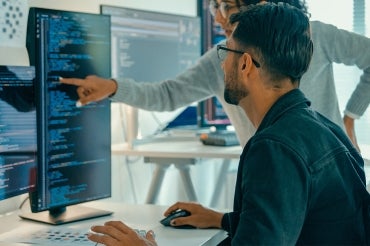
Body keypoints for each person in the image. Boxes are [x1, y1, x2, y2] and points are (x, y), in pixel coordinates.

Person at [87, 3, 368, 244]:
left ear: (245, 65)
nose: (221, 65)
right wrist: (222, 219)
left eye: (226, 52)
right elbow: (297, 221)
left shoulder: (274, 147)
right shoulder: (327, 129)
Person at [60, 0, 370, 151]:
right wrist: (113, 87)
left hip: (323, 171)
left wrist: (350, 117)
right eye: (214, 6)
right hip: (270, 171)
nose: (217, 16)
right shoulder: (223, 58)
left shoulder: (314, 36)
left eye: (225, 5)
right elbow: (168, 94)